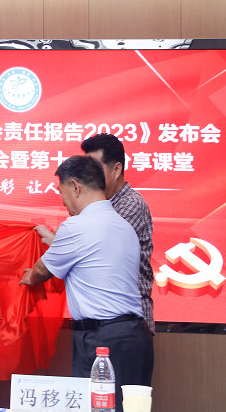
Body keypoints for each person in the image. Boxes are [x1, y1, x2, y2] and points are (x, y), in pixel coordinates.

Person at [19, 155, 153, 412]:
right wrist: (55, 241)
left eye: (62, 192)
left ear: (75, 187)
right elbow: (91, 255)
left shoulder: (76, 226)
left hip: (104, 340)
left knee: (99, 408)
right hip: (135, 336)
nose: (63, 201)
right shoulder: (124, 226)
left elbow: (41, 271)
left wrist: (28, 276)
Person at [81, 134, 155, 335]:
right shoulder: (98, 206)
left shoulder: (131, 204)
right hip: (105, 321)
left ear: (117, 169)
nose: (89, 178)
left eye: (96, 170)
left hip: (128, 323)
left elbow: (96, 247)